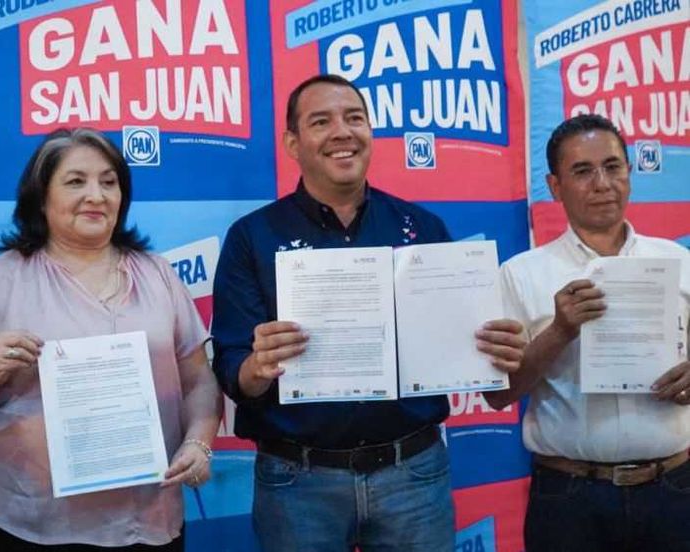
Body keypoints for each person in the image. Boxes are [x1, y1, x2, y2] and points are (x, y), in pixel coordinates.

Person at [210, 73, 526, 552]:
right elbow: (233, 369)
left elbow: (477, 369)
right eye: (321, 121)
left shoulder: (424, 229)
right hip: (298, 483)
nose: (342, 131)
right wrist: (258, 366)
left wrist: (493, 352)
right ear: (292, 144)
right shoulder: (252, 238)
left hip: (413, 476)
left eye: (354, 118)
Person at [0, 127, 222, 551]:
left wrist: (199, 442)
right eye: (75, 181)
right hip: (31, 522)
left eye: (109, 182)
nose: (96, 195)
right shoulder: (3, 279)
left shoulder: (157, 273)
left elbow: (198, 379)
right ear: (41, 196)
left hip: (149, 516)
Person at [485, 113, 690, 551]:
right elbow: (498, 394)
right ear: (555, 186)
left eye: (613, 167)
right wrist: (558, 331)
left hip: (674, 489)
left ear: (630, 174)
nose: (602, 183)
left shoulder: (678, 261)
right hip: (570, 497)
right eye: (582, 171)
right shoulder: (521, 275)